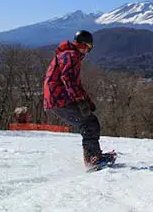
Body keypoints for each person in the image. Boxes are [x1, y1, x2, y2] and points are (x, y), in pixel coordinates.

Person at [43, 30, 114, 169]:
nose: (88, 51)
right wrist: (80, 101)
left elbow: (76, 83)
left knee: (88, 122)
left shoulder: (68, 54)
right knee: (89, 123)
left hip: (56, 98)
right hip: (59, 99)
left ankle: (93, 156)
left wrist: (87, 101)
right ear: (84, 45)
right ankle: (93, 159)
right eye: (89, 48)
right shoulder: (72, 55)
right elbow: (67, 79)